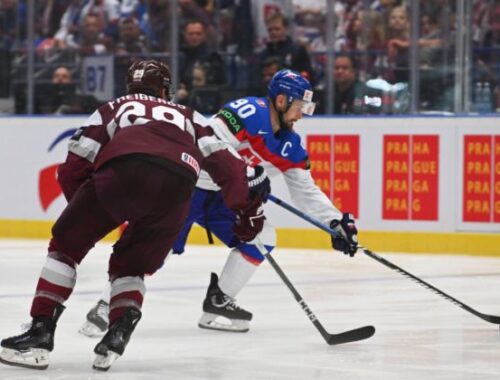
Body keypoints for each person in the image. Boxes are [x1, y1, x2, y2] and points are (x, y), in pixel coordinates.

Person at [0, 59, 270, 371]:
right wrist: (247, 210)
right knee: (132, 265)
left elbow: (76, 163)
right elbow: (230, 166)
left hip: (121, 173)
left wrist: (87, 214)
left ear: (130, 86)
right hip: (178, 186)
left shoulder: (116, 106)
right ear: (165, 89)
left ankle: (39, 334)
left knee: (65, 248)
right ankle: (117, 333)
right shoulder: (190, 116)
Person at [79, 69, 359, 336]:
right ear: (282, 100)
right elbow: (208, 144)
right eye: (300, 106)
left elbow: (305, 191)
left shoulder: (291, 146)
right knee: (154, 248)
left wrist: (335, 222)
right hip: (189, 185)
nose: (302, 115)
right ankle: (106, 306)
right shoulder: (247, 112)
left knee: (262, 234)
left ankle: (219, 302)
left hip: (225, 197)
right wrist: (248, 174)